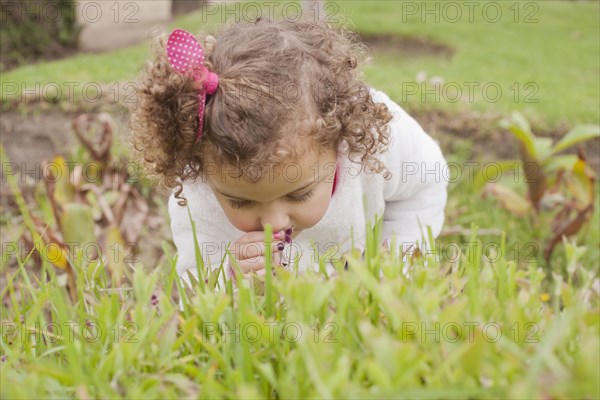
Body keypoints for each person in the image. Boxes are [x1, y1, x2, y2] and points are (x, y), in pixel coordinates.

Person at [130, 18, 448, 289]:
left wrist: (395, 262)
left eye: (299, 194)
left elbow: (425, 182)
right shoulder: (197, 195)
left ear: (339, 141)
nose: (273, 222)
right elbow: (196, 290)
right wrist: (232, 281)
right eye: (241, 201)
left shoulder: (377, 140)